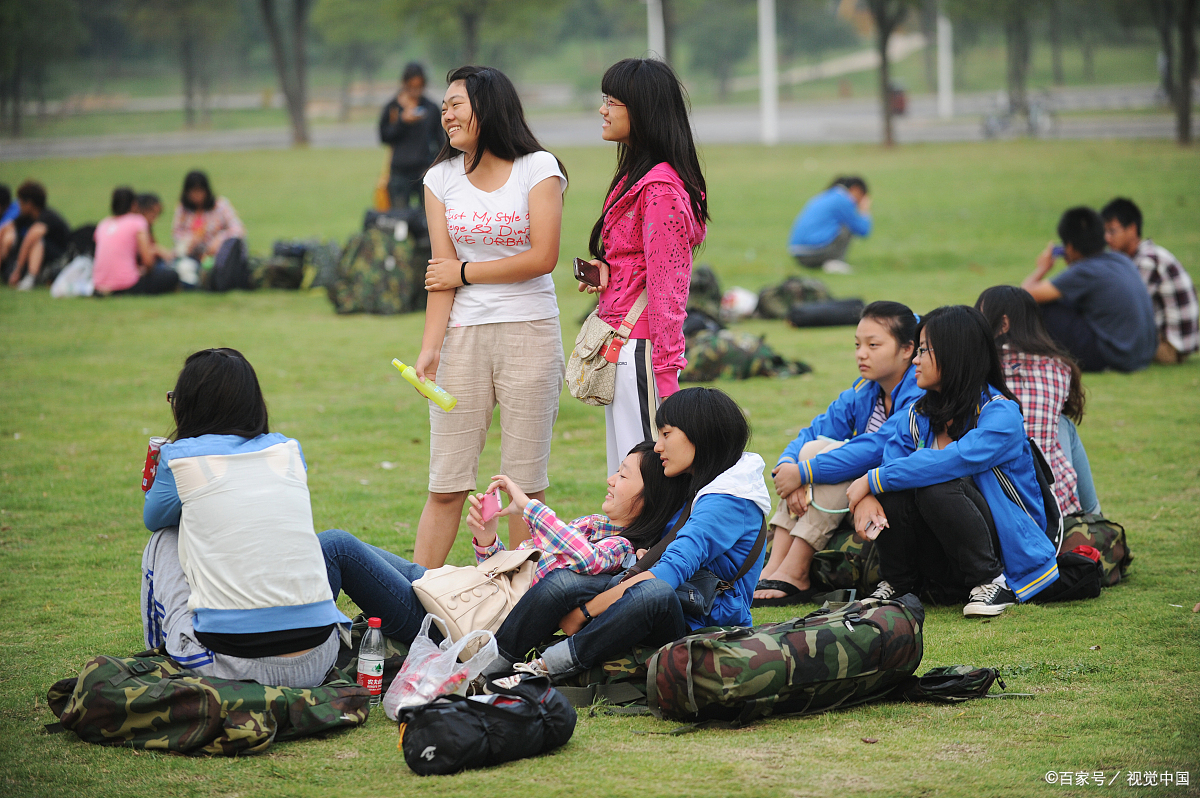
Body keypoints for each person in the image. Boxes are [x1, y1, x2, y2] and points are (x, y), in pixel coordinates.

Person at [487, 387, 771, 681]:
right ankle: (487, 667)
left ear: (699, 434)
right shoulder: (705, 480)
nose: (658, 447)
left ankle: (546, 668)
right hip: (679, 600)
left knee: (652, 592)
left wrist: (584, 613)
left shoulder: (726, 501)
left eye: (666, 434)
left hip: (701, 627)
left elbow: (666, 577)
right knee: (564, 583)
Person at [414, 66, 568, 568]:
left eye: (455, 104)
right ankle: (417, 602)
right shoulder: (439, 179)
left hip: (531, 332)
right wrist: (430, 349)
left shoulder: (538, 168)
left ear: (489, 106)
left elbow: (543, 257)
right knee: (447, 483)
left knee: (524, 485)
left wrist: (465, 272)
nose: (446, 114)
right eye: (444, 107)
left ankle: (524, 606)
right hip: (462, 338)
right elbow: (442, 276)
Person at [317, 441, 690, 645]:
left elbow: (587, 560)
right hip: (456, 592)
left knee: (337, 546)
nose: (611, 478)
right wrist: (488, 539)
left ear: (648, 499)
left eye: (623, 475)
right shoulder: (590, 525)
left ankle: (308, 653)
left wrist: (529, 506)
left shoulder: (621, 550)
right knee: (334, 544)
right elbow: (510, 576)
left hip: (448, 623)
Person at [141, 348, 349, 687]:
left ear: (188, 405)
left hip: (235, 666)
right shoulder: (288, 450)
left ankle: (156, 657)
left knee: (165, 536)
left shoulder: (176, 457)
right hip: (320, 656)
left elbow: (155, 518)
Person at [846, 306, 1061, 618]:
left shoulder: (1001, 415)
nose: (914, 360)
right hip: (943, 551)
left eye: (923, 351)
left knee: (937, 485)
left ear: (955, 354)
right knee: (895, 487)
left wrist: (869, 481)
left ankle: (990, 582)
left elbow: (953, 460)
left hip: (1005, 550)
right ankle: (899, 584)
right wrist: (868, 494)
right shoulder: (916, 415)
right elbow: (892, 468)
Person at [576, 58, 709, 477]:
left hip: (644, 351)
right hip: (626, 342)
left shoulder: (659, 188)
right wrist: (611, 271)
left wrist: (666, 371)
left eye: (613, 101)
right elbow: (643, 260)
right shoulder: (638, 174)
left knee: (648, 474)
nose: (603, 109)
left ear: (644, 110)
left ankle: (653, 545)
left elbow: (669, 287)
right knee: (626, 471)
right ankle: (630, 543)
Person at [753, 301, 921, 606]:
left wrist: (804, 473)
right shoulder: (865, 390)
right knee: (812, 448)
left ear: (907, 349)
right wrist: (789, 467)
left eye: (873, 345)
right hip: (856, 494)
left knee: (826, 457)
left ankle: (796, 570)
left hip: (894, 496)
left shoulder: (917, 393)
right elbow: (813, 431)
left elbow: (879, 447)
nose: (861, 353)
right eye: (858, 344)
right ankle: (775, 565)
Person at [976, 285, 1100, 516]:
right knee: (1063, 425)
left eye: (981, 318)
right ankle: (1094, 518)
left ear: (1003, 324)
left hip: (991, 502)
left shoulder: (978, 368)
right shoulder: (1060, 368)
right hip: (1055, 502)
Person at [1020, 206, 1156, 373]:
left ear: (1069, 247)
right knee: (1062, 301)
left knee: (1041, 308)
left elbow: (1024, 296)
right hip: (1141, 355)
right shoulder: (1120, 259)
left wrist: (1042, 268)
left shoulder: (1085, 270)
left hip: (1115, 356)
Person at [1100, 197, 1198, 365]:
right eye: (1105, 232)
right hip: (1172, 343)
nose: (1107, 238)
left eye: (1112, 231)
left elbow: (1123, 307)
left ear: (1132, 229)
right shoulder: (1141, 257)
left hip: (1170, 349)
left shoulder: (1147, 261)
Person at [379, 62, 445, 210]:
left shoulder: (430, 108)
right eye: (411, 86)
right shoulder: (394, 107)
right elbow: (384, 136)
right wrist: (402, 122)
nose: (415, 91)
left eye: (419, 86)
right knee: (399, 217)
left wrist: (434, 165)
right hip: (399, 171)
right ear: (405, 84)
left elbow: (440, 140)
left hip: (423, 170)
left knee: (427, 216)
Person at [92, 187, 179, 296]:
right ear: (134, 205)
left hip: (99, 285)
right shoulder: (137, 221)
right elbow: (148, 262)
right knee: (172, 276)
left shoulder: (103, 224)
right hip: (126, 285)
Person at [786, 176, 872, 274]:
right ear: (856, 189)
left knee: (836, 225)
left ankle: (829, 262)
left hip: (797, 253)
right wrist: (864, 211)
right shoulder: (843, 200)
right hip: (811, 253)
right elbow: (863, 230)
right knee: (846, 227)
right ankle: (836, 262)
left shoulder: (826, 195)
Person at [0, 180, 70, 290]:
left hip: (59, 257)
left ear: (29, 204)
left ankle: (31, 279)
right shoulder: (26, 217)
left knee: (37, 241)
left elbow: (30, 238)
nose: (19, 206)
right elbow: (6, 227)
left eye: (21, 202)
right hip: (39, 258)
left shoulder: (47, 216)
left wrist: (18, 270)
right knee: (8, 234)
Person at [171, 171, 246, 262]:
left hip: (217, 256)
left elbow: (238, 229)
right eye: (193, 192)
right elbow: (176, 234)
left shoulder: (220, 206)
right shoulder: (183, 210)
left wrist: (219, 239)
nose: (197, 196)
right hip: (192, 255)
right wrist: (190, 240)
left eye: (199, 191)